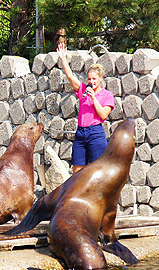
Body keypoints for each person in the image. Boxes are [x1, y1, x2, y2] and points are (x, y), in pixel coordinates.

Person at [56, 41, 115, 173]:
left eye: (94, 79)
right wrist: (63, 58)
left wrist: (94, 98)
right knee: (77, 170)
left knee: (97, 170)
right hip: (81, 133)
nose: (91, 82)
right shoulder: (83, 90)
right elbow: (70, 76)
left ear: (100, 79)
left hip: (95, 133)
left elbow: (103, 115)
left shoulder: (107, 95)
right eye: (89, 79)